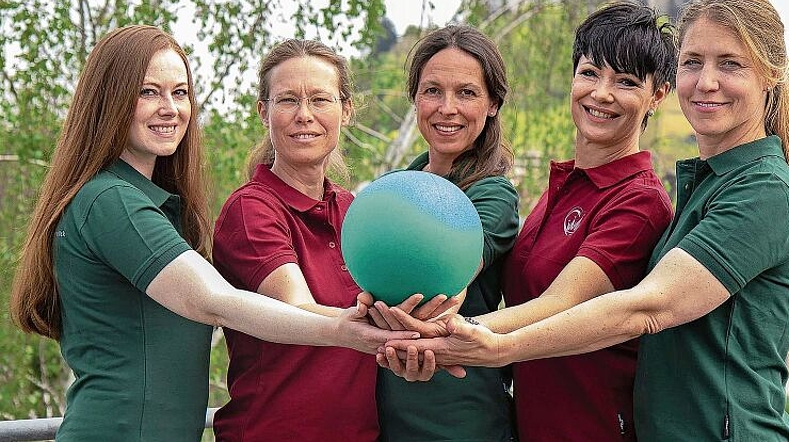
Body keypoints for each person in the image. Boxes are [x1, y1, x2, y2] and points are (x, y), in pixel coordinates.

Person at [382, 0, 789, 441]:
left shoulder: (758, 190)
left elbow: (644, 307)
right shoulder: (701, 185)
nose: (707, 81)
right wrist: (435, 330)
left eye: (730, 64)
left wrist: (482, 342)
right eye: (693, 61)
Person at [9, 25, 416, 442]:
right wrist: (346, 330)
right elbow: (216, 302)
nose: (170, 108)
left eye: (180, 93)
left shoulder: (151, 204)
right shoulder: (112, 200)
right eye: (148, 92)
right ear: (109, 100)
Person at [377, 2, 676, 441]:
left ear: (658, 95)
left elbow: (559, 304)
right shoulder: (559, 191)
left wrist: (452, 334)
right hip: (531, 425)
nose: (602, 93)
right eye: (591, 73)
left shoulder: (639, 201)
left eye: (626, 82)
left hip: (591, 428)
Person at [211, 38, 427, 441]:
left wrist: (420, 333)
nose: (304, 116)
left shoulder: (356, 211)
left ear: (346, 111)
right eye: (288, 100)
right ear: (264, 112)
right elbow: (298, 308)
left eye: (320, 100)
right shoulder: (251, 209)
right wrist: (395, 330)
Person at [371, 24, 520, 442]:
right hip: (388, 413)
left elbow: (437, 285)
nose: (447, 108)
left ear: (493, 104)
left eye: (467, 93)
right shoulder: (400, 184)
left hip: (460, 417)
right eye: (432, 90)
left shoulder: (494, 195)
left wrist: (371, 303)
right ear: (416, 99)